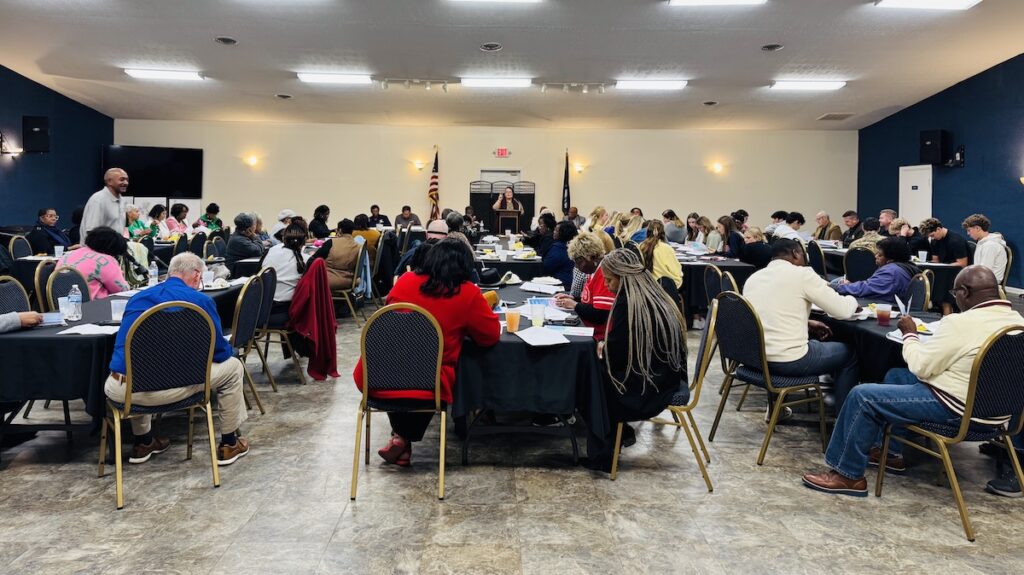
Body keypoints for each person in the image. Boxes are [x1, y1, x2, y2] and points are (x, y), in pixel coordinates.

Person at [802, 266, 1024, 497]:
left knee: (862, 396)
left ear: (965, 292)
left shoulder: (960, 323)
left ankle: (847, 475)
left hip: (957, 411)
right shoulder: (1017, 321)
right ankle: (891, 454)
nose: (954, 298)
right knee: (896, 376)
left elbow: (920, 366)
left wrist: (910, 335)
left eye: (954, 293)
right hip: (1000, 416)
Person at [356, 238, 500, 466]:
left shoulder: (404, 281)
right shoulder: (467, 293)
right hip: (427, 384)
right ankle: (402, 439)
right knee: (425, 370)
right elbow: (490, 336)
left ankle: (401, 441)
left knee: (408, 362)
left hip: (377, 376)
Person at [105, 252, 250, 465]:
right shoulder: (201, 301)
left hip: (127, 392)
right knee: (234, 367)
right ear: (195, 275)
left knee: (137, 364)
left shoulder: (137, 299)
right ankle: (229, 443)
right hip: (180, 387)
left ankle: (144, 441)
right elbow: (219, 352)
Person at [584, 248, 686, 472]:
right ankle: (620, 434)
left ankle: (603, 454)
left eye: (610, 280)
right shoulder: (655, 292)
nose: (608, 285)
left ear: (623, 276)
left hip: (645, 388)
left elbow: (616, 356)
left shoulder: (626, 302)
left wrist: (601, 348)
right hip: (666, 376)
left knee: (590, 378)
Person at [743, 239, 859, 410]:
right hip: (789, 360)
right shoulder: (802, 274)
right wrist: (852, 299)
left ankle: (776, 407)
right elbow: (842, 311)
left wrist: (806, 322)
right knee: (849, 354)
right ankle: (844, 421)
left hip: (756, 358)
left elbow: (767, 313)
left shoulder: (754, 277)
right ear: (796, 254)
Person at [555, 233, 616, 340]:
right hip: (589, 329)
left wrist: (574, 305)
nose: (577, 267)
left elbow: (600, 315)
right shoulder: (594, 271)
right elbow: (591, 302)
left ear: (591, 257)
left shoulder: (604, 273)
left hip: (598, 335)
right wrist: (574, 299)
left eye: (579, 262)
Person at [835, 237, 918, 304]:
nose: (875, 256)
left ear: (891, 259)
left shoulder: (891, 272)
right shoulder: (905, 266)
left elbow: (866, 289)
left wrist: (840, 287)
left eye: (880, 255)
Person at [56, 226, 131, 299]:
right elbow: (122, 290)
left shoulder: (68, 254)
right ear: (112, 249)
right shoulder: (105, 260)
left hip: (63, 305)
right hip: (93, 307)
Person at [260, 222, 308, 325]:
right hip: (289, 311)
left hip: (264, 309)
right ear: (304, 242)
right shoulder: (306, 260)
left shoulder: (271, 252)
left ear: (284, 238)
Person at [311, 219, 361, 291]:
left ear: (339, 230)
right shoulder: (358, 246)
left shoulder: (331, 242)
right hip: (350, 280)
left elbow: (315, 259)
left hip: (329, 280)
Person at [637, 220, 682, 295]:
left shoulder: (641, 246)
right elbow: (676, 271)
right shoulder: (666, 248)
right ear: (663, 233)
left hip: (645, 286)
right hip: (664, 287)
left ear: (648, 232)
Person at [81, 168, 128, 240]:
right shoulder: (98, 200)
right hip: (97, 250)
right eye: (122, 179)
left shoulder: (122, 201)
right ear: (109, 181)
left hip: (115, 249)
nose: (125, 183)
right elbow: (92, 231)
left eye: (127, 180)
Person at [962, 214, 1007, 284]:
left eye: (969, 230)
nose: (968, 233)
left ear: (977, 228)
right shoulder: (982, 243)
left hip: (988, 283)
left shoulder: (990, 246)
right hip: (983, 280)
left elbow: (984, 272)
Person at [543, 222, 578, 288]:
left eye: (556, 230)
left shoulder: (558, 247)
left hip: (561, 284)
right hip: (572, 282)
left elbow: (547, 266)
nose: (554, 232)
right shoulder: (574, 245)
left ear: (563, 233)